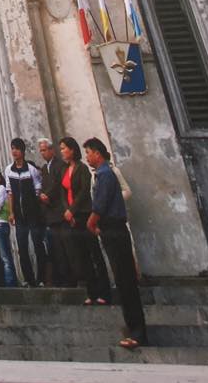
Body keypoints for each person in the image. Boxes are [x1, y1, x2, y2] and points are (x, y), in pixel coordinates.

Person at [84, 137, 147, 349]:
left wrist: (91, 223)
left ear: (97, 153)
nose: (87, 157)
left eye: (88, 153)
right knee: (123, 281)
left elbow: (100, 205)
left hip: (114, 230)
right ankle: (135, 329)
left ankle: (137, 332)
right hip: (112, 230)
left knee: (125, 282)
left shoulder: (105, 175)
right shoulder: (102, 174)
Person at [59, 136, 106, 304]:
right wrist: (67, 211)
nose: (62, 151)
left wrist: (72, 210)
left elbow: (84, 191)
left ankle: (103, 291)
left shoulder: (82, 168)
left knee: (94, 252)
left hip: (84, 213)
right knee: (82, 255)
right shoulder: (65, 169)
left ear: (72, 149)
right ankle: (91, 292)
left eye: (64, 148)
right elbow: (63, 192)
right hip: (72, 216)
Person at [4, 137, 44, 287]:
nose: (14, 151)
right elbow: (10, 192)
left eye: (17, 148)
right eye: (12, 148)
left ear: (22, 151)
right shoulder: (9, 170)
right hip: (19, 215)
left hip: (32, 213)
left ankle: (41, 278)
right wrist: (11, 212)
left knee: (37, 244)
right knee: (22, 246)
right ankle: (28, 278)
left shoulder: (31, 170)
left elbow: (37, 189)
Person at [37, 137, 67, 286]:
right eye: (41, 151)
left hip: (60, 210)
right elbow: (43, 185)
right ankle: (61, 278)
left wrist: (47, 195)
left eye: (44, 150)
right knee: (55, 248)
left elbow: (58, 184)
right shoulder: (44, 169)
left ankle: (69, 278)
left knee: (65, 247)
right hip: (50, 213)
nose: (42, 153)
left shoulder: (60, 165)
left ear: (51, 150)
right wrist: (42, 195)